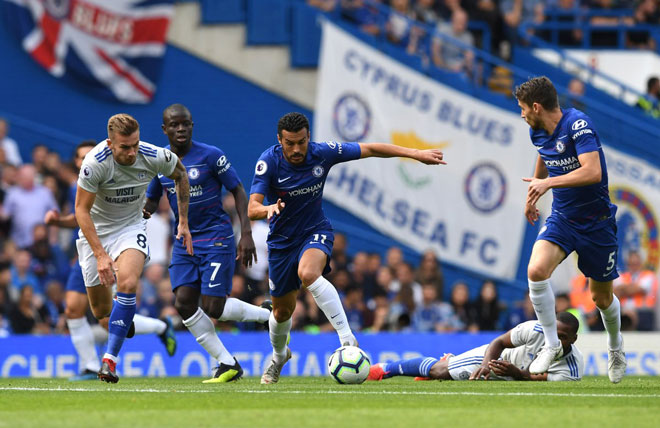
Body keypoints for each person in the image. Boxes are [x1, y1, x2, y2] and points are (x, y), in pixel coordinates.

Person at [248, 112, 446, 384]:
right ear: (279, 140)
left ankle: (347, 338)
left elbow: (371, 148)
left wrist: (415, 153)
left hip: (315, 231)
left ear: (309, 137)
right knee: (281, 312)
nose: (296, 149)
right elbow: (252, 208)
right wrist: (268, 208)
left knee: (308, 274)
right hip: (281, 242)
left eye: (302, 142)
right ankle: (279, 356)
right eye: (290, 143)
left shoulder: (322, 153)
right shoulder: (268, 161)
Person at [144, 104, 271, 383]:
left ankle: (265, 316)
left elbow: (238, 189)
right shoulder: (160, 162)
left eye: (185, 124)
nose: (180, 129)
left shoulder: (211, 155)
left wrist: (246, 234)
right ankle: (227, 362)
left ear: (192, 126)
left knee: (214, 307)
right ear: (164, 129)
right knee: (183, 303)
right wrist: (136, 213)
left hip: (216, 237)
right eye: (174, 125)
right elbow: (151, 201)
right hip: (184, 241)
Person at [515, 76, 625, 383]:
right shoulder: (537, 130)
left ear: (537, 107)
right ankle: (551, 344)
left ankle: (615, 346)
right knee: (536, 270)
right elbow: (544, 153)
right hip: (563, 219)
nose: (522, 114)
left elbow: (593, 171)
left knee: (601, 298)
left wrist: (548, 183)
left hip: (597, 223)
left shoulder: (578, 125)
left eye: (523, 108)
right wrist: (533, 194)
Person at [45, 141, 177, 381]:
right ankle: (91, 362)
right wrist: (58, 222)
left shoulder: (105, 170)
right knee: (80, 310)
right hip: (89, 248)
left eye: (88, 155)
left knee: (109, 317)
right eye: (80, 157)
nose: (85, 160)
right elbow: (80, 216)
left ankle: (154, 330)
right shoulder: (80, 183)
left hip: (114, 246)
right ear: (75, 161)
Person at [75, 113, 192, 383]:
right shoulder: (94, 163)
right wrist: (100, 255)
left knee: (127, 283)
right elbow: (81, 210)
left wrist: (183, 221)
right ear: (110, 144)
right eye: (125, 147)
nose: (132, 152)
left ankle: (109, 361)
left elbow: (181, 174)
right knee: (102, 314)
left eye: (135, 145)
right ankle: (149, 325)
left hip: (130, 227)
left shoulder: (154, 155)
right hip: (96, 232)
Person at [368, 312, 583, 382]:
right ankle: (386, 368)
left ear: (573, 339)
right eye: (553, 333)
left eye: (563, 337)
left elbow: (536, 379)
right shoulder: (535, 329)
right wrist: (486, 365)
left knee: (445, 373)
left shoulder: (572, 369)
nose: (555, 340)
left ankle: (451, 362)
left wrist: (515, 373)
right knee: (439, 371)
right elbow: (499, 342)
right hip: (498, 359)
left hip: (514, 373)